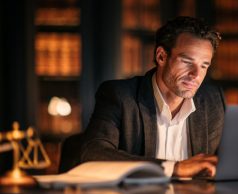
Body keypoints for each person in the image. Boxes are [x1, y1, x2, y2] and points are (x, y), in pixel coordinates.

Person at [80, 16, 225, 178]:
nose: (196, 75)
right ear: (161, 56)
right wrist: (175, 168)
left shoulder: (213, 101)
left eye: (204, 65)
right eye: (186, 61)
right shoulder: (119, 95)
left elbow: (229, 161)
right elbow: (94, 154)